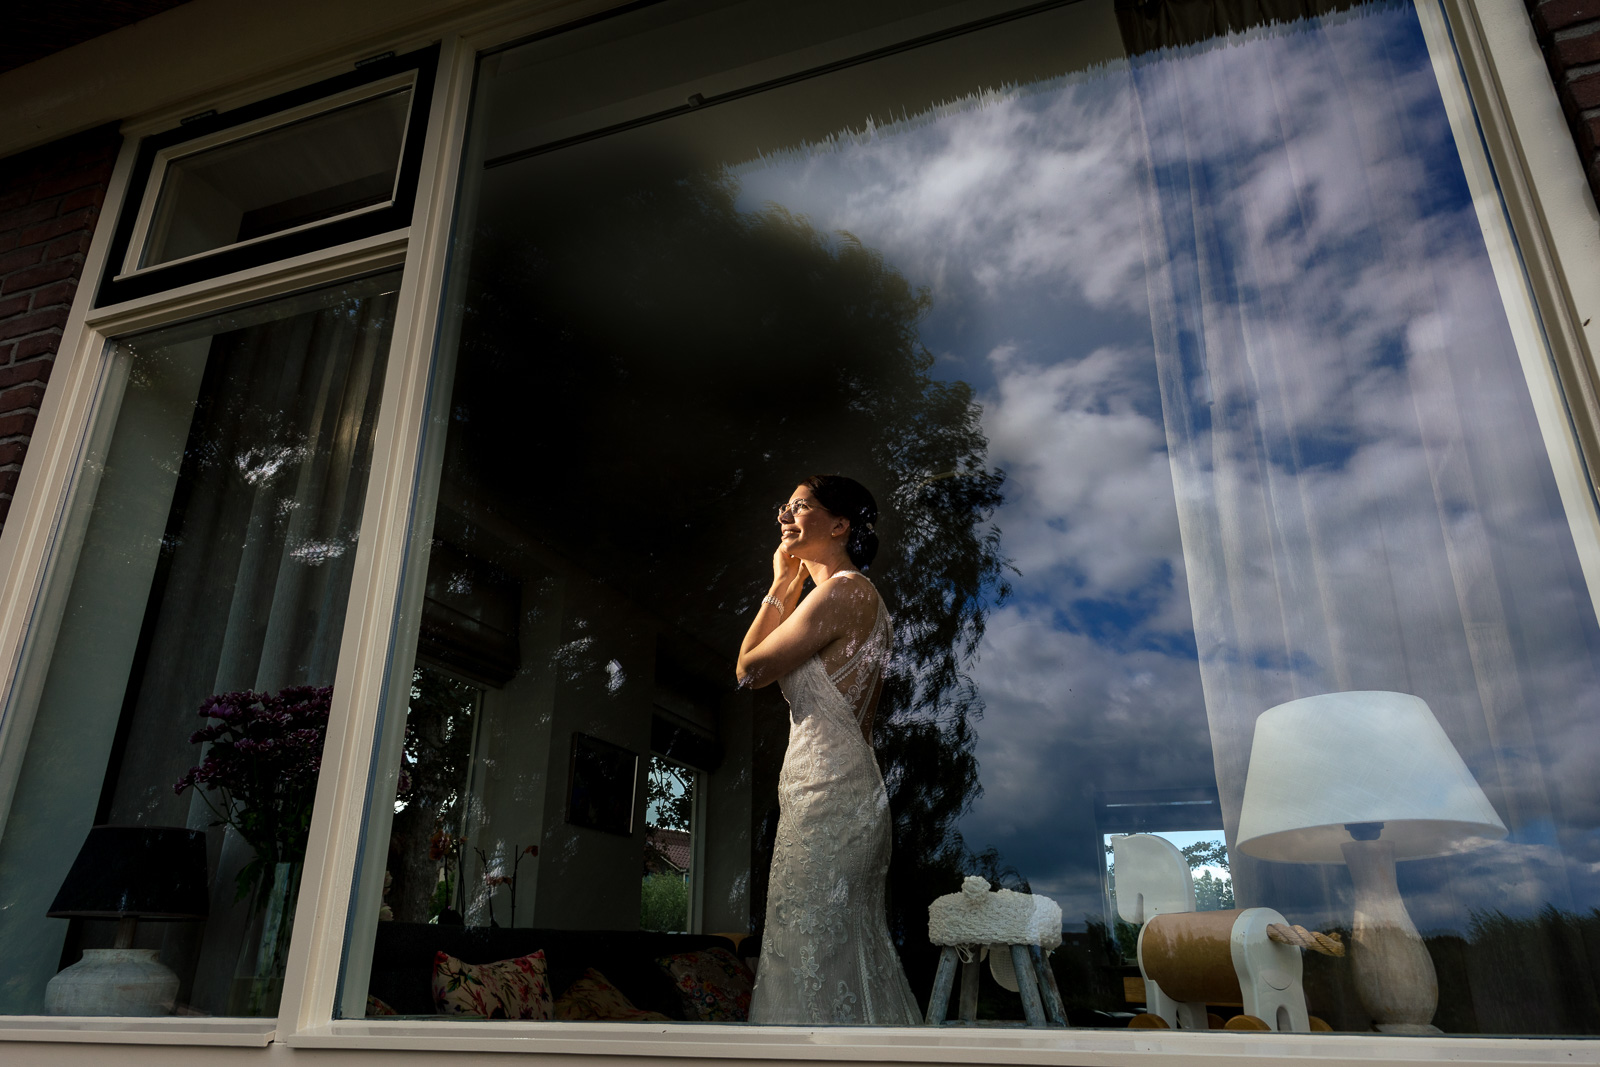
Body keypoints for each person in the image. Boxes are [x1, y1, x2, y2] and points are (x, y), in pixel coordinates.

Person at [735, 474, 922, 1025]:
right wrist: (792, 583)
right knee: (816, 941)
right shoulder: (837, 595)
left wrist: (779, 583)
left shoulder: (844, 591)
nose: (783, 516)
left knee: (816, 940)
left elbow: (748, 670)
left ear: (839, 525)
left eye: (799, 506)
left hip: (830, 795)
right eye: (784, 505)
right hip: (820, 788)